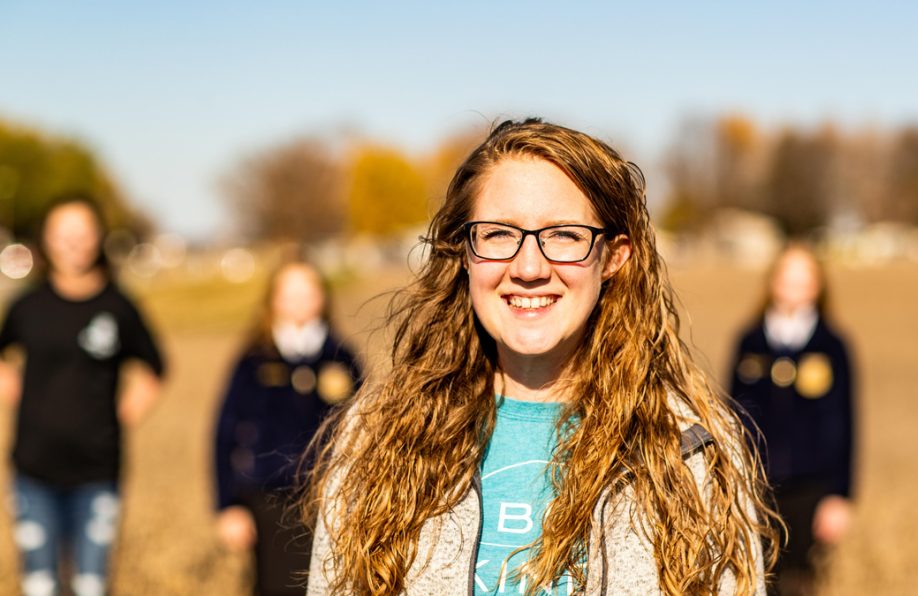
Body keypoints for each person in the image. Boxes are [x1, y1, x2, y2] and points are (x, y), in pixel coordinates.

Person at [304, 118, 779, 595]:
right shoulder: (376, 438)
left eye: (564, 235)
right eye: (498, 234)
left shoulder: (692, 448)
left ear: (614, 256)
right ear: (465, 253)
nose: (529, 267)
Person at [0, 195, 165, 596]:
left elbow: (154, 369)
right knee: (41, 585)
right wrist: (12, 390)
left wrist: (125, 412)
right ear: (47, 241)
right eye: (63, 233)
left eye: (83, 232)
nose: (74, 242)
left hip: (98, 472)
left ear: (98, 238)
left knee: (91, 585)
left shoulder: (118, 306)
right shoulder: (28, 306)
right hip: (33, 472)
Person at [214, 259, 364, 596]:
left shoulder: (341, 357)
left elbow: (365, 431)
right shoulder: (253, 360)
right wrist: (227, 506)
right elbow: (223, 434)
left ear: (323, 297)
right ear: (274, 300)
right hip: (268, 502)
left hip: (330, 503)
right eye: (290, 292)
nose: (300, 300)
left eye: (308, 291)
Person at [727, 244, 855, 595]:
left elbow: (845, 424)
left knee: (800, 584)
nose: (794, 285)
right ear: (772, 282)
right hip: (756, 485)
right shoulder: (749, 341)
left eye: (804, 278)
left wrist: (839, 496)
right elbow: (732, 415)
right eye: (787, 276)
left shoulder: (833, 346)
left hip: (812, 488)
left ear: (819, 285)